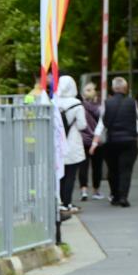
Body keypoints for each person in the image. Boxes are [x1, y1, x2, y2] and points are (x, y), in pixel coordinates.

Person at [90, 76, 138, 207]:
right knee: (125, 169)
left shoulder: (106, 103)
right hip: (129, 140)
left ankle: (115, 195)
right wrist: (135, 134)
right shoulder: (133, 103)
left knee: (113, 169)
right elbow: (137, 120)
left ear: (113, 88)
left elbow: (101, 124)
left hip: (111, 141)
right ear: (125, 88)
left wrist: (95, 142)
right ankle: (123, 196)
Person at [54, 75, 86, 214]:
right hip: (72, 142)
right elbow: (82, 125)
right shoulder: (77, 104)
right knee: (71, 175)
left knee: (60, 174)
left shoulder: (54, 102)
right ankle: (67, 203)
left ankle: (60, 202)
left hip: (57, 143)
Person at [78, 82, 103, 201]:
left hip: (82, 140)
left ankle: (84, 190)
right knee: (97, 166)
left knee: (83, 166)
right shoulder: (99, 107)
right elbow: (102, 121)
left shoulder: (79, 107)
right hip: (97, 140)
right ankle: (96, 190)